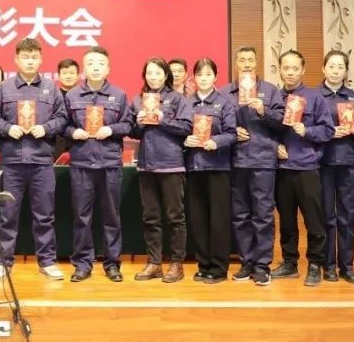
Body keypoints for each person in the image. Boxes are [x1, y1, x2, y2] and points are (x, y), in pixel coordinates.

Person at [0, 38, 68, 280]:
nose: (30, 61)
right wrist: (6, 128)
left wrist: (46, 128)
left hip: (41, 161)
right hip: (11, 162)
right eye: (25, 57)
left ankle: (47, 261)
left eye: (34, 57)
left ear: (41, 59)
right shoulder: (3, 89)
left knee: (44, 216)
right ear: (16, 59)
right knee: (8, 214)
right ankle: (3, 263)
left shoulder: (51, 88)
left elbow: (63, 118)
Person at [62, 46, 131, 283]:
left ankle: (112, 264)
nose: (95, 67)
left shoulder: (119, 95)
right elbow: (62, 125)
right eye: (90, 63)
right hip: (82, 163)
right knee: (82, 216)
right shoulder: (72, 96)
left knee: (112, 216)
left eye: (100, 63)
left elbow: (128, 124)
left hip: (109, 162)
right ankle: (83, 263)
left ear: (108, 68)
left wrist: (111, 129)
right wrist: (73, 132)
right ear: (84, 68)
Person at [272, 50, 334, 287]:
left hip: (307, 167)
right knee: (287, 221)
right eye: (286, 68)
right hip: (281, 169)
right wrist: (274, 146)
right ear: (279, 70)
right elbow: (266, 131)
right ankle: (289, 263)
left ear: (303, 70)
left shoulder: (315, 97)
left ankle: (315, 265)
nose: (290, 72)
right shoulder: (274, 97)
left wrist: (306, 131)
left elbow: (327, 130)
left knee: (314, 220)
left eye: (295, 68)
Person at [225, 46, 285, 286]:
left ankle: (262, 265)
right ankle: (246, 261)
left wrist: (263, 110)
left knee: (263, 214)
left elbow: (283, 121)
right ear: (236, 63)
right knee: (240, 215)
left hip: (263, 160)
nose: (247, 64)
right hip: (235, 160)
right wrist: (232, 131)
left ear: (257, 62)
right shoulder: (226, 92)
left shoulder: (270, 91)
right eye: (242, 60)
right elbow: (215, 124)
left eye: (251, 60)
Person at [129, 57, 193, 283]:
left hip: (171, 164)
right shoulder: (138, 100)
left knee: (175, 217)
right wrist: (138, 122)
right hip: (146, 165)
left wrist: (162, 119)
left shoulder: (177, 98)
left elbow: (187, 127)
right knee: (150, 218)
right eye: (149, 73)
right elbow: (133, 132)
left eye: (157, 73)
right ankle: (154, 263)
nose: (153, 77)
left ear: (166, 75)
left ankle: (176, 264)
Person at [184, 58, 236, 283]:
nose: (203, 79)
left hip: (217, 166)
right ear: (194, 78)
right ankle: (203, 264)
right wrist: (185, 140)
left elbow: (232, 133)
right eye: (199, 74)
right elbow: (179, 130)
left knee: (218, 219)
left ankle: (219, 267)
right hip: (194, 166)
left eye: (208, 74)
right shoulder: (186, 103)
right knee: (198, 218)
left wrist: (217, 141)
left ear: (216, 77)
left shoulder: (224, 102)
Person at [317, 50, 354, 284]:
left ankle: (347, 265)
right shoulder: (314, 96)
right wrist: (328, 132)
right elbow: (306, 129)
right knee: (326, 215)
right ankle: (328, 265)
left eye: (340, 67)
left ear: (346, 71)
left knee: (348, 215)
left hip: (348, 162)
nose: (336, 71)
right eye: (332, 66)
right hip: (322, 162)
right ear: (323, 68)